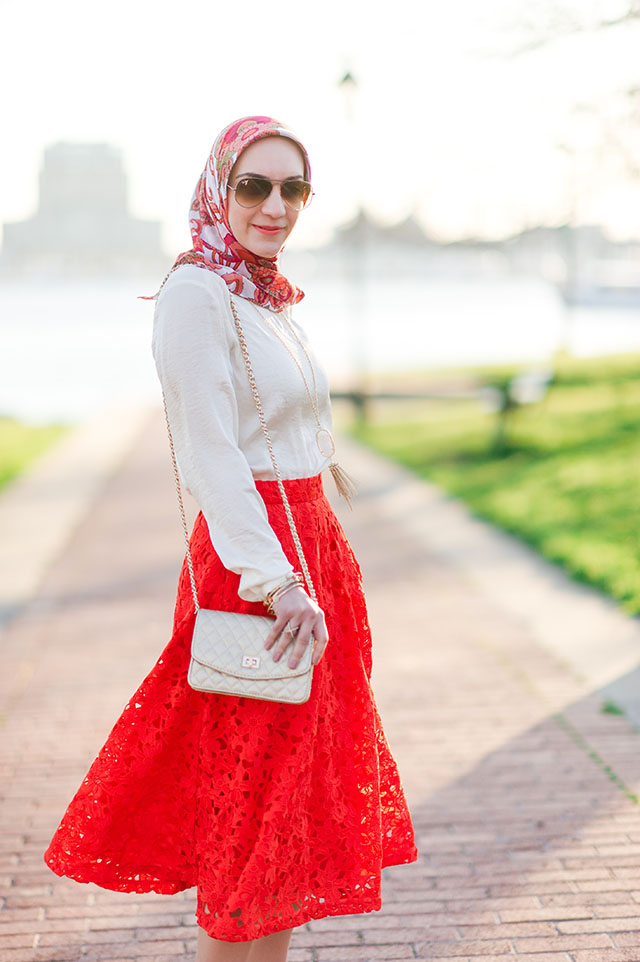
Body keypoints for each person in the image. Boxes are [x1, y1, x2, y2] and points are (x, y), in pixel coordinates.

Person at [44, 115, 417, 962]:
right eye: (254, 186)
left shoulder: (260, 292)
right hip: (258, 570)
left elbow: (280, 425)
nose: (275, 205)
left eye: (294, 188)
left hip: (307, 550)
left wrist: (320, 492)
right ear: (220, 189)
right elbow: (212, 458)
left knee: (286, 824)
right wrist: (278, 579)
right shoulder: (197, 295)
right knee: (252, 822)